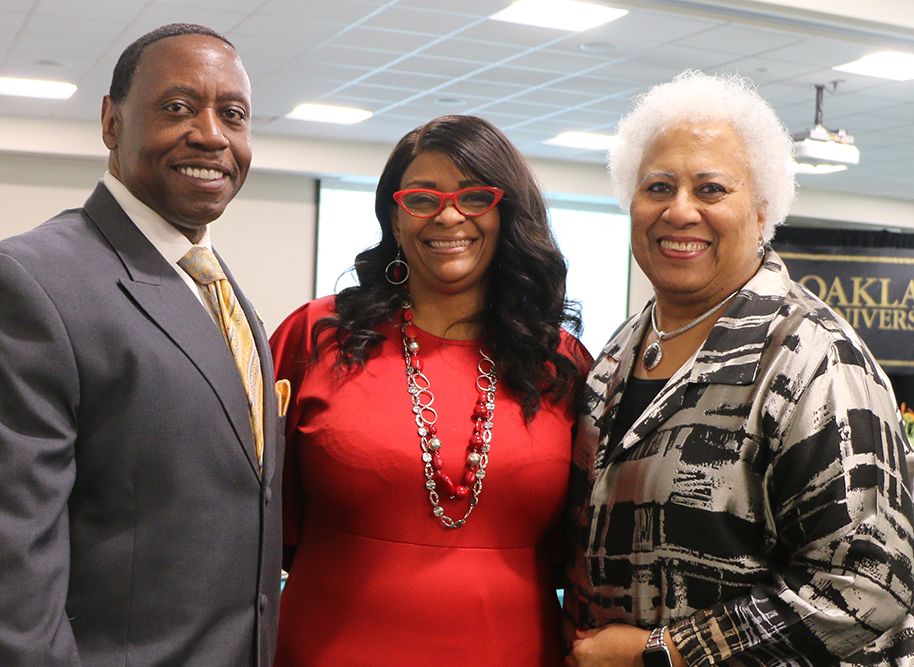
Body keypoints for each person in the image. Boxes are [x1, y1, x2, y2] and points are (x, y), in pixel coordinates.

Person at [0, 23, 283, 666]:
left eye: (233, 114)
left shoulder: (221, 294)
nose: (212, 134)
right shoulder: (19, 287)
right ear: (111, 122)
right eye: (177, 107)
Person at [564, 70, 914, 667]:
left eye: (711, 189)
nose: (679, 210)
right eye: (658, 186)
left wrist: (664, 653)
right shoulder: (618, 353)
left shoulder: (815, 358)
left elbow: (868, 587)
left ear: (760, 213)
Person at [269, 114, 592, 666]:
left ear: (506, 213)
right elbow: (255, 513)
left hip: (511, 649)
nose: (447, 215)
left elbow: (584, 544)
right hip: (329, 647)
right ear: (395, 218)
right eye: (421, 198)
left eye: (474, 197)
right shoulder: (315, 336)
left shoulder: (560, 362)